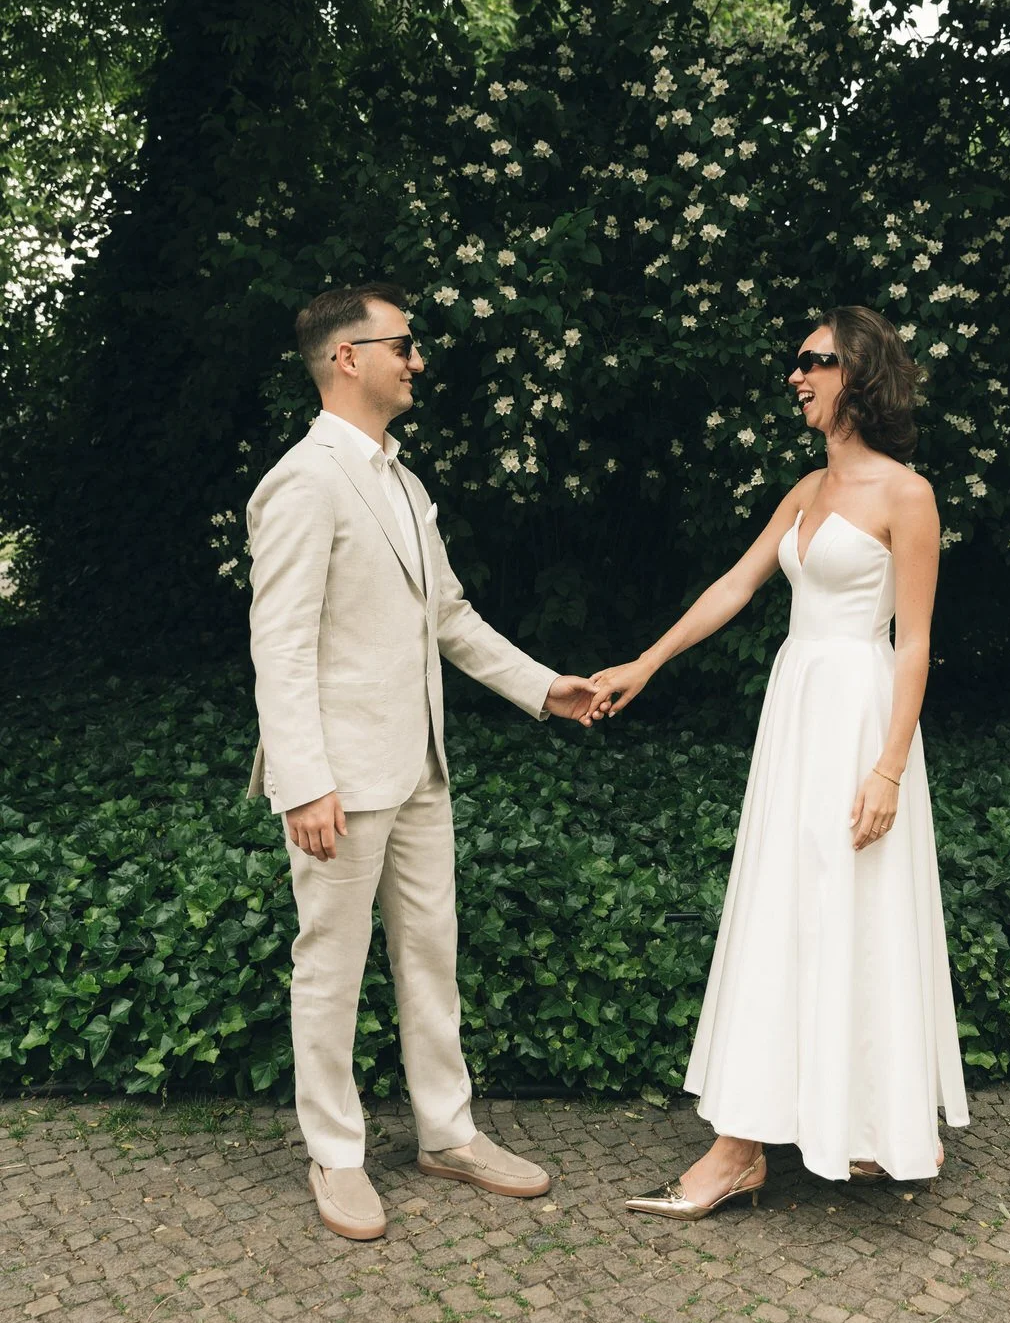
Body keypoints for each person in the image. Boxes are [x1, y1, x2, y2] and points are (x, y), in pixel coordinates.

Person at [587, 305, 969, 1218]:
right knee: (784, 907)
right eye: (796, 363)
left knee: (855, 905)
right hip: (796, 712)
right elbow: (736, 584)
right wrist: (646, 662)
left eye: (815, 361)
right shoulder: (805, 491)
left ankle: (854, 1127)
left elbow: (913, 643)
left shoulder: (906, 496)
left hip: (861, 719)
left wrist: (887, 769)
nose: (797, 376)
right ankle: (746, 1144)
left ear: (860, 372)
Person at [247, 283, 605, 1241]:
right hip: (340, 780)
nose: (416, 360)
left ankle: (446, 1133)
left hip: (421, 769)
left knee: (430, 958)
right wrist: (304, 779)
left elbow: (448, 616)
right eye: (399, 344)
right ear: (346, 358)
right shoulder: (303, 480)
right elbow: (279, 645)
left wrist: (544, 687)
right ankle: (336, 1154)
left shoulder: (403, 483)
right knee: (330, 966)